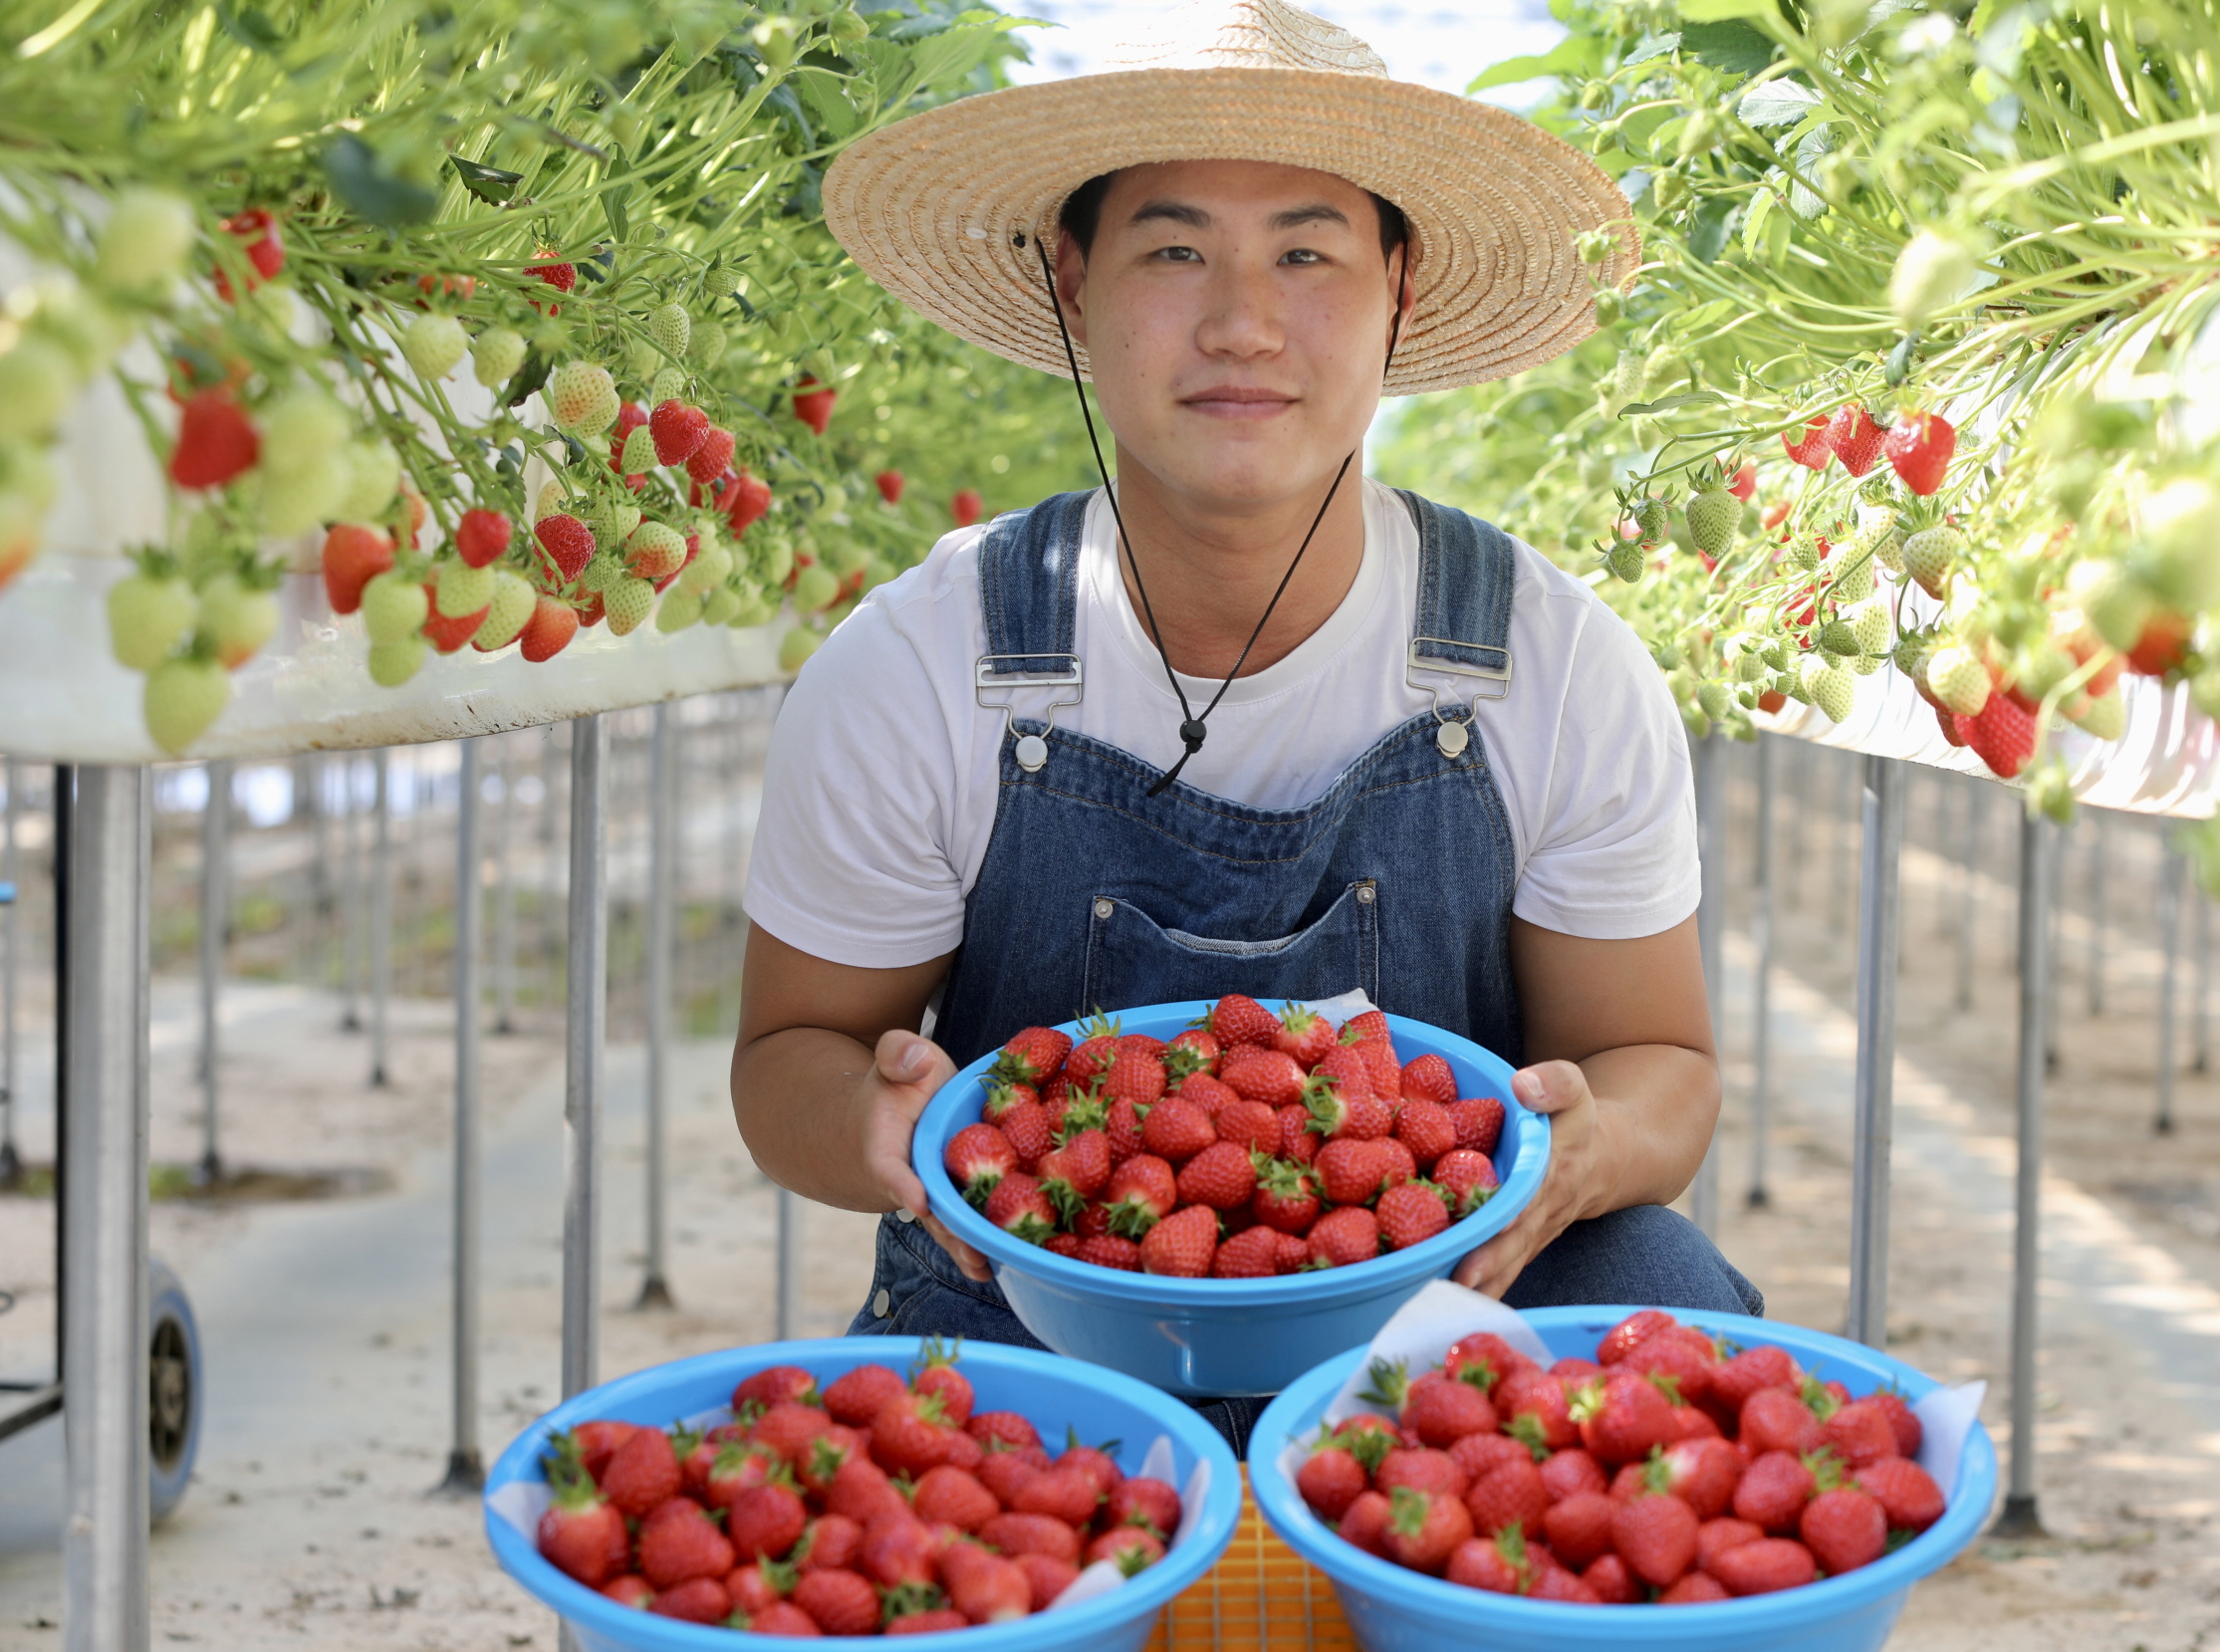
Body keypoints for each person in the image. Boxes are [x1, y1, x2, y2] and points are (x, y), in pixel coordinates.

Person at [735, 0, 1760, 1446]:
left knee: (1661, 1285)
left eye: (1306, 250)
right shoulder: (924, 662)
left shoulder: (1548, 662)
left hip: (1444, 1312)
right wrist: (874, 1124)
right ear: (1071, 279)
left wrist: (1588, 1149)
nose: (1241, 322)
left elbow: (1663, 1064)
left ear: (1400, 283)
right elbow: (791, 1055)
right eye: (1172, 249)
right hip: (1042, 1300)